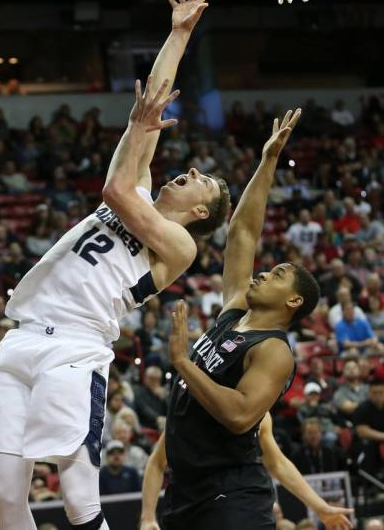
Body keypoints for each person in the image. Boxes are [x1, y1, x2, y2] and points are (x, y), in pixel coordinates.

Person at [0, 0, 230, 530]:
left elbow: (114, 188)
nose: (188, 173)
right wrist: (179, 32)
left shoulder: (179, 244)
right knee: (2, 494)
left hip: (75, 345)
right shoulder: (140, 185)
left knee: (77, 499)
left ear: (201, 214)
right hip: (21, 335)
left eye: (200, 182)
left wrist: (140, 129)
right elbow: (151, 102)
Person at [162, 109, 325, 530]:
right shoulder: (237, 309)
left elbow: (239, 415)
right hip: (185, 489)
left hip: (231, 495)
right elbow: (243, 234)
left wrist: (183, 363)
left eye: (276, 275)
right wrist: (268, 160)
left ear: (292, 301)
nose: (262, 272)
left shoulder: (273, 350)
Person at [140, 413, 352, 530]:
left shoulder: (259, 412)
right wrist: (148, 518)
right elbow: (157, 462)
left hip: (238, 499)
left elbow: (277, 462)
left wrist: (320, 507)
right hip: (190, 501)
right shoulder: (193, 408)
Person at [353, 378, 384, 474]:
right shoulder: (363, 408)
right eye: (375, 393)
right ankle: (368, 482)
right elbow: (362, 432)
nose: (378, 396)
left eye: (381, 392)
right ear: (369, 393)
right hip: (366, 442)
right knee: (369, 445)